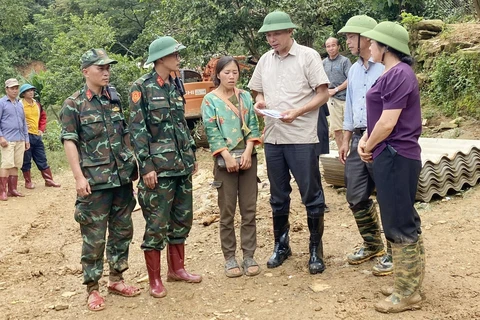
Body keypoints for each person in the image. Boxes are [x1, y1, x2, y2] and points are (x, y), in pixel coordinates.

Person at [248, 11, 330, 274]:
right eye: (268, 35)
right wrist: (260, 101)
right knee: (278, 196)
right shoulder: (265, 60)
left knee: (311, 195)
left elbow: (323, 94)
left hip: (301, 137)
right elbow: (258, 89)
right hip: (273, 137)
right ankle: (281, 245)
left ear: (289, 32)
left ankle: (316, 249)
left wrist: (298, 112)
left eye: (276, 34)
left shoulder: (308, 56)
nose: (271, 39)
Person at [60, 49, 140, 311]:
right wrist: (78, 177)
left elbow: (125, 132)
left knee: (122, 231)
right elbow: (70, 141)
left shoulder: (113, 97)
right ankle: (92, 288)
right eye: (100, 68)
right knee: (94, 237)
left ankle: (116, 278)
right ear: (86, 71)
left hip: (121, 179)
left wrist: (134, 161)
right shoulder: (74, 104)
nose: (106, 72)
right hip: (94, 181)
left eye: (108, 68)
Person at [359, 21, 424, 313]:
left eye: (373, 43)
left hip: (397, 154)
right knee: (401, 217)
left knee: (399, 222)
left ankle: (407, 293)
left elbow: (388, 123)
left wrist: (369, 145)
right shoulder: (389, 73)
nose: (368, 46)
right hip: (389, 153)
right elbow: (377, 116)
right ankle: (406, 283)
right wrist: (365, 139)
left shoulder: (399, 74)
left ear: (386, 47)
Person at [129, 36, 202, 298]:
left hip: (180, 165)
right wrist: (146, 166)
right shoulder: (142, 87)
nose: (178, 58)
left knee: (182, 218)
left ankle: (177, 269)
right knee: (156, 224)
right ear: (160, 58)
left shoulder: (176, 83)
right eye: (174, 55)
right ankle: (155, 280)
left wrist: (191, 154)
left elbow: (182, 124)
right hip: (159, 170)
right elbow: (137, 130)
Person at [337, 16, 392, 275]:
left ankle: (395, 250)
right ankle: (373, 244)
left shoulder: (386, 68)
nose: (346, 41)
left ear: (367, 38)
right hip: (359, 139)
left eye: (350, 36)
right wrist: (346, 140)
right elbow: (350, 108)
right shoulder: (354, 70)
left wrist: (373, 139)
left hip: (383, 139)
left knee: (389, 195)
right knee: (355, 194)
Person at [201, 56, 262, 278]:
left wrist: (248, 152)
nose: (231, 76)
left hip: (248, 159)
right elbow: (211, 130)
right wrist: (226, 156)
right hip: (223, 161)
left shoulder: (245, 96)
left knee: (249, 209)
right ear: (218, 74)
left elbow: (253, 126)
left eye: (235, 72)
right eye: (226, 72)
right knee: (227, 211)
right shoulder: (209, 100)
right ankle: (229, 257)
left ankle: (249, 255)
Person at [19, 83, 61, 189]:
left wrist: (41, 129)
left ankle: (49, 180)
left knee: (42, 158)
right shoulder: (19, 104)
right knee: (26, 159)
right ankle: (28, 182)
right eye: (28, 91)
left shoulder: (37, 104)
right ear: (23, 94)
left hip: (36, 136)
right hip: (25, 136)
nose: (31, 92)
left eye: (32, 90)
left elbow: (43, 116)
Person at [0, 78, 30, 201]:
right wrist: (1, 137)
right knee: (6, 164)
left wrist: (26, 139)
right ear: (6, 89)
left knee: (16, 164)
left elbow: (23, 123)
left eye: (16, 88)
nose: (15, 90)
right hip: (7, 139)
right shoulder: (2, 103)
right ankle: (2, 191)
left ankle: (13, 189)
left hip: (20, 138)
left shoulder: (19, 103)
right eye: (12, 88)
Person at [323, 37, 352, 149]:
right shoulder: (324, 63)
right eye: (328, 46)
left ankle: (352, 154)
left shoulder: (345, 61)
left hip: (346, 99)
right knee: (336, 129)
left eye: (333, 45)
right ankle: (342, 153)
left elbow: (351, 79)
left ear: (338, 46)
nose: (331, 48)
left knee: (349, 128)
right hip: (332, 100)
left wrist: (336, 89)